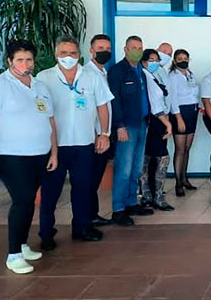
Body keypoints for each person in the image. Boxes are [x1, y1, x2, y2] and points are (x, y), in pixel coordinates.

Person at [0, 40, 59, 274]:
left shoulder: (39, 86)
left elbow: (50, 121)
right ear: (10, 61)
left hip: (39, 155)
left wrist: (54, 151)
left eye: (29, 59)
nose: (25, 63)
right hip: (10, 156)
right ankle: (13, 255)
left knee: (29, 200)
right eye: (20, 59)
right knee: (22, 201)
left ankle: (22, 244)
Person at [36, 37, 113, 250]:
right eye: (63, 53)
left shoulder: (91, 77)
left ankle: (81, 228)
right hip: (55, 146)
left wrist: (104, 134)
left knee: (83, 189)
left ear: (79, 55)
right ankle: (46, 233)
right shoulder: (44, 78)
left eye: (72, 53)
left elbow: (102, 107)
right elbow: (38, 109)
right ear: (55, 54)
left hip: (84, 142)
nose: (68, 57)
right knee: (51, 191)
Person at [108, 35, 153, 226]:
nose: (137, 50)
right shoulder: (118, 71)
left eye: (140, 47)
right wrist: (120, 126)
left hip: (142, 123)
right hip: (126, 126)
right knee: (124, 169)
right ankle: (118, 209)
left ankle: (131, 203)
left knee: (136, 168)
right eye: (133, 47)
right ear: (125, 49)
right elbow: (114, 100)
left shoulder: (140, 70)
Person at [85, 34, 115, 227]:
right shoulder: (87, 75)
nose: (105, 52)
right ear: (91, 51)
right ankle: (87, 217)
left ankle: (92, 214)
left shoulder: (103, 72)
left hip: (103, 135)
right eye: (100, 49)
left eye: (107, 49)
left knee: (94, 178)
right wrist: (100, 134)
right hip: (95, 136)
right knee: (90, 178)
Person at [139, 49, 174, 211]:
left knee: (151, 158)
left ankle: (151, 194)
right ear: (144, 60)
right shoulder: (144, 75)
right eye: (151, 59)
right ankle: (153, 195)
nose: (155, 62)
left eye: (156, 59)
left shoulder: (152, 75)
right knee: (160, 158)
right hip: (154, 121)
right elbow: (155, 104)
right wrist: (167, 123)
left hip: (157, 120)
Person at [168, 49, 200, 196]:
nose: (183, 60)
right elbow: (172, 98)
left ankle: (184, 178)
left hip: (192, 112)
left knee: (187, 148)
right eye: (180, 58)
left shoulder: (190, 75)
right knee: (180, 150)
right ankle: (178, 183)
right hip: (179, 113)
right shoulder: (172, 77)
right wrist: (178, 118)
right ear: (174, 61)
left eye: (186, 58)